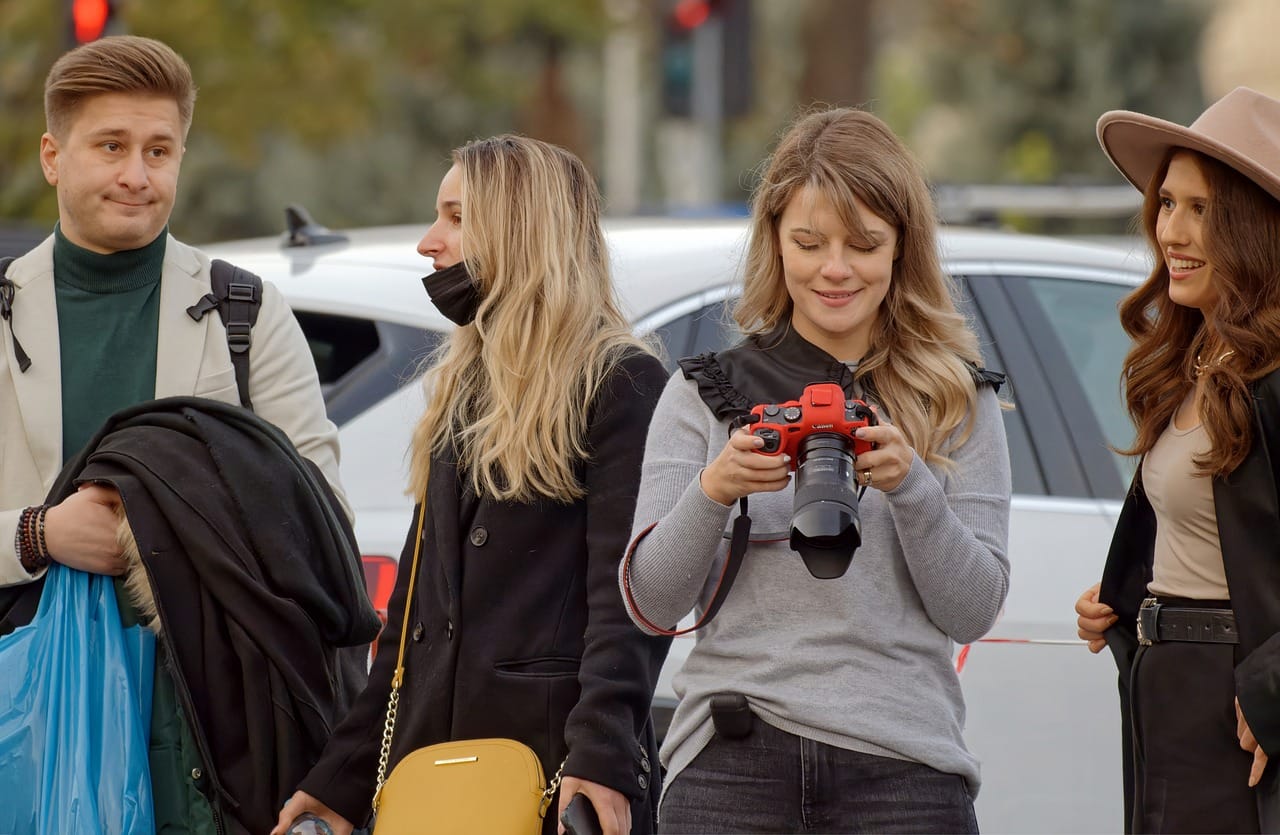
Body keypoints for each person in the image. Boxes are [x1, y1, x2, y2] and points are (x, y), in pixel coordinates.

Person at [0, 36, 358, 833]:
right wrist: (38, 532)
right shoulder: (2, 310)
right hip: (26, 722)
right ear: (54, 157)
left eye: (159, 150)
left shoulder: (246, 312)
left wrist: (162, 528)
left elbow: (323, 515)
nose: (138, 174)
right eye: (112, 147)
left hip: (208, 727)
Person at [619, 107, 1012, 834]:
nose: (834, 269)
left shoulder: (956, 397)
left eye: (863, 244)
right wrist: (716, 490)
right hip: (731, 763)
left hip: (904, 768)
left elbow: (974, 610)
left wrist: (910, 486)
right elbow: (650, 599)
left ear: (902, 248)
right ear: (775, 241)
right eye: (808, 242)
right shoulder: (706, 393)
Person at [272, 135, 671, 835]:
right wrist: (340, 780)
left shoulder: (620, 384)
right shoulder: (463, 388)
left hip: (557, 784)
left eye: (456, 217)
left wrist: (604, 754)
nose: (431, 242)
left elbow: (629, 598)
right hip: (438, 784)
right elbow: (408, 631)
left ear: (520, 229)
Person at [1076, 86, 1280, 833]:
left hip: (1239, 709)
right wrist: (1130, 604)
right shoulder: (1193, 363)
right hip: (1165, 691)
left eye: (1203, 209)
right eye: (1167, 204)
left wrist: (1271, 693)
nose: (1173, 230)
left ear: (1255, 227)